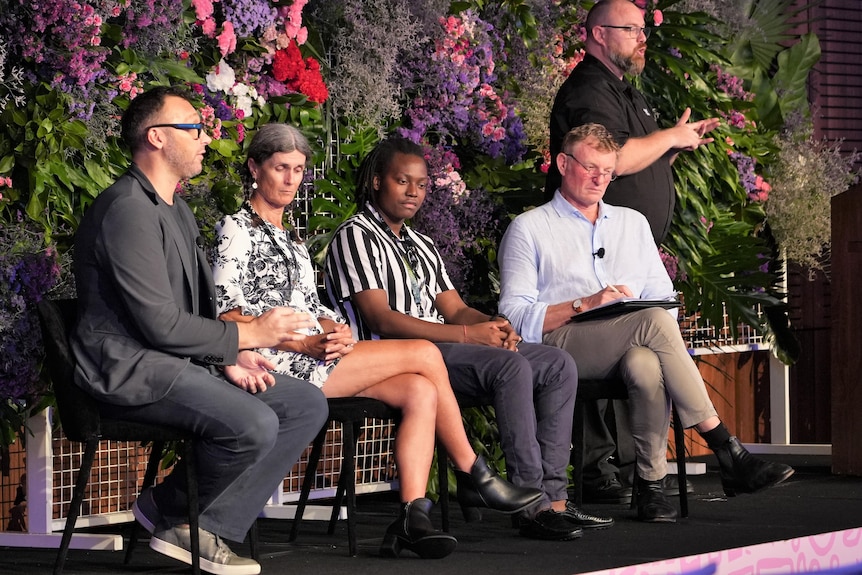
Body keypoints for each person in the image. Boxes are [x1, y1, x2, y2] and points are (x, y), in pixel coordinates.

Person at [211, 123, 543, 559]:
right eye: (280, 168)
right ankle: (473, 473)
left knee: (420, 388)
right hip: (279, 361)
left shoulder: (290, 236)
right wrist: (300, 341)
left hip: (321, 354)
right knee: (424, 354)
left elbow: (312, 305)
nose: (291, 179)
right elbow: (226, 312)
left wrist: (335, 327)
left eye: (297, 169)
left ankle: (412, 515)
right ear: (255, 168)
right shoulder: (236, 228)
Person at [71, 86, 329, 575]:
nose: (206, 138)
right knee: (253, 423)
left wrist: (228, 356)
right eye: (192, 128)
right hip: (130, 369)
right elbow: (159, 325)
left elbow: (192, 312)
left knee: (302, 403)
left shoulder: (176, 208)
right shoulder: (127, 209)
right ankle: (177, 514)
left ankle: (195, 524)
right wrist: (248, 337)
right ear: (156, 137)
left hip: (173, 361)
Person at [498, 123, 795, 523]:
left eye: (608, 171)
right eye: (589, 168)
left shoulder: (631, 223)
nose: (599, 179)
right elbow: (513, 316)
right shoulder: (529, 228)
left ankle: (650, 487)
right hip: (558, 343)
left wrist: (633, 315)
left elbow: (665, 299)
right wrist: (585, 304)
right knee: (652, 323)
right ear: (563, 163)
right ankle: (724, 446)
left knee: (645, 361)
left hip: (630, 336)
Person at [325, 137, 613, 542]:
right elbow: (382, 319)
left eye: (422, 184)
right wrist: (467, 335)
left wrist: (494, 326)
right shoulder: (355, 235)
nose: (413, 192)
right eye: (402, 181)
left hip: (447, 349)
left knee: (554, 363)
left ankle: (554, 499)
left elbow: (457, 309)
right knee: (510, 367)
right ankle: (531, 508)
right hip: (395, 359)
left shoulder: (420, 244)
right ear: (376, 182)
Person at [544, 0, 721, 502]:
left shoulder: (624, 91)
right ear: (598, 34)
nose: (642, 38)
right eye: (631, 29)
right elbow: (613, 161)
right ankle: (615, 466)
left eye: (644, 30)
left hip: (624, 242)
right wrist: (669, 136)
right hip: (587, 242)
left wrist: (675, 140)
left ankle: (636, 471)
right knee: (619, 337)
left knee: (640, 354)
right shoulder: (588, 89)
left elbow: (635, 154)